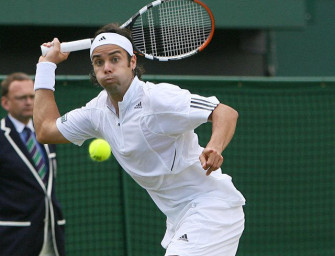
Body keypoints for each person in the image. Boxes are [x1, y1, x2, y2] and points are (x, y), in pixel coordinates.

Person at [33, 23, 246, 256]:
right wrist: (46, 66)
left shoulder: (158, 98)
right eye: (99, 62)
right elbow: (45, 130)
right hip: (179, 217)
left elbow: (224, 112)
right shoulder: (97, 112)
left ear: (132, 62)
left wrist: (215, 146)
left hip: (212, 209)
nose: (107, 68)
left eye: (115, 59)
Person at [0, 73, 65, 256]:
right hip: (13, 238)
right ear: (5, 103)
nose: (29, 102)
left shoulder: (45, 133)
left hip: (51, 234)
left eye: (32, 96)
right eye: (22, 98)